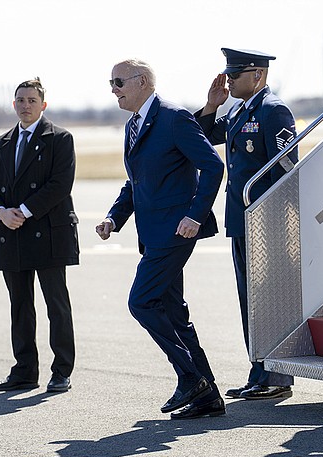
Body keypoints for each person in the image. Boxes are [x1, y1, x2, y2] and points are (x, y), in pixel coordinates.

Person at [96, 59, 226, 420]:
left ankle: (190, 377)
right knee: (174, 314)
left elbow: (213, 166)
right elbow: (135, 183)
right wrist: (113, 217)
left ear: (142, 82)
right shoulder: (133, 125)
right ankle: (208, 396)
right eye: (111, 82)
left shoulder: (174, 117)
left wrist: (195, 215)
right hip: (152, 233)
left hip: (176, 230)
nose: (113, 89)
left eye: (119, 81)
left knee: (140, 301)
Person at [194, 48, 297, 401]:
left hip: (265, 221)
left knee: (267, 300)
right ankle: (260, 370)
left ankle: (276, 375)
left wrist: (274, 215)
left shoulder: (273, 110)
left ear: (257, 75)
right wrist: (212, 105)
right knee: (249, 300)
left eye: (235, 75)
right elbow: (203, 136)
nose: (229, 80)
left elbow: (286, 168)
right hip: (241, 220)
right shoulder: (240, 110)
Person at [0, 78, 78, 394]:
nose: (25, 105)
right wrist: (1, 213)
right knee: (19, 305)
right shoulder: (3, 143)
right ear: (14, 104)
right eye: (20, 100)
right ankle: (24, 371)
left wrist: (22, 210)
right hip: (11, 232)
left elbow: (60, 185)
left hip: (47, 232)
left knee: (56, 305)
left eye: (32, 100)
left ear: (43, 105)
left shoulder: (60, 139)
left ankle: (61, 370)